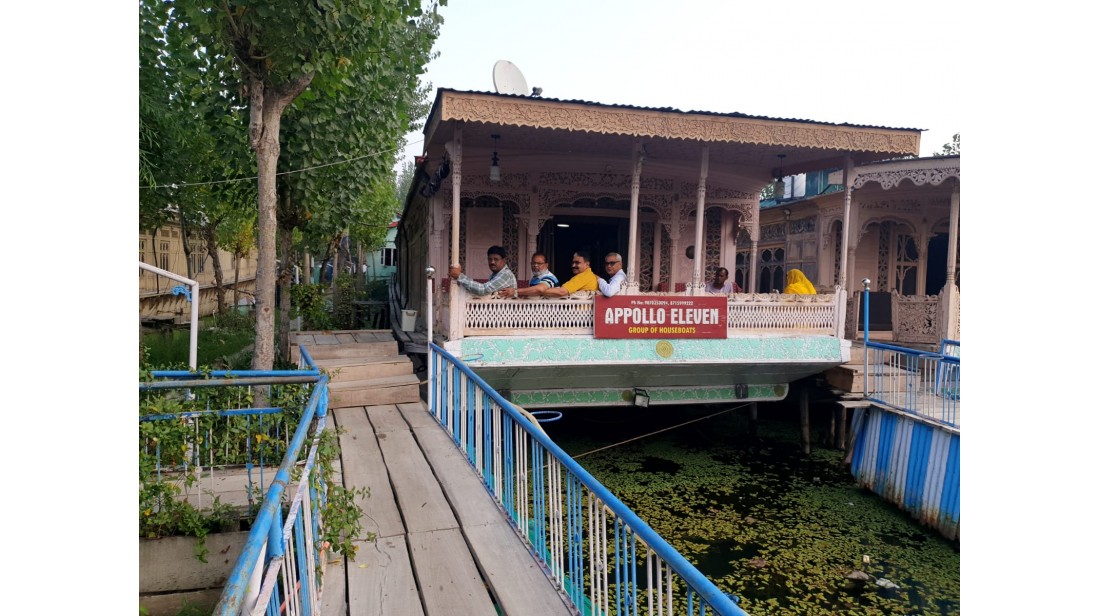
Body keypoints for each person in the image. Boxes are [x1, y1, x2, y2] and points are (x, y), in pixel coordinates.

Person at [520, 251, 599, 298]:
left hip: (579, 317)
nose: (573, 265)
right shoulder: (591, 275)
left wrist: (537, 291)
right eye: (573, 262)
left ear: (587, 264)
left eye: (577, 263)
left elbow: (561, 292)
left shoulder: (583, 276)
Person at [449, 245, 517, 296]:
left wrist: (459, 276)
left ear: (504, 261)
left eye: (496, 259)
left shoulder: (505, 274)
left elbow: (483, 290)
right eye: (490, 259)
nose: (492, 262)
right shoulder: (495, 275)